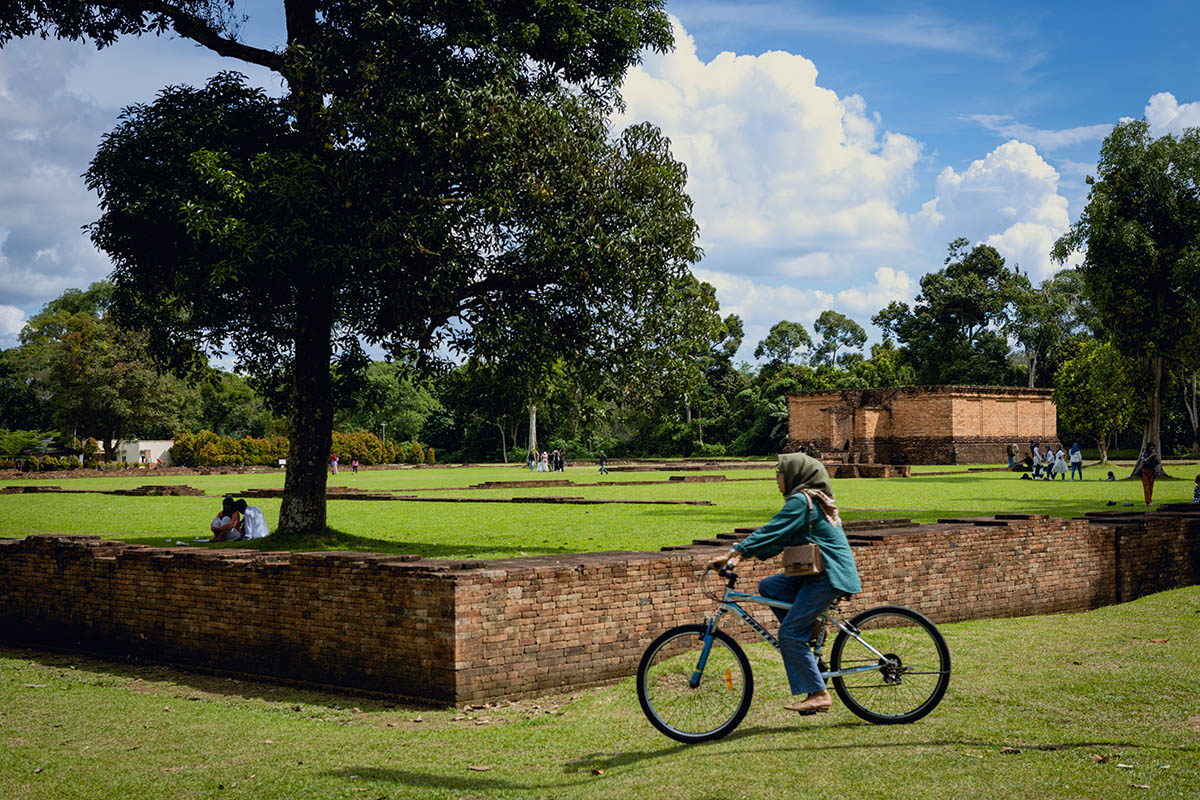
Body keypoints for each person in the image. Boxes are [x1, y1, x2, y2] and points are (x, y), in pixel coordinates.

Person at [710, 452, 861, 716]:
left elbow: (772, 530)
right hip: (819, 572)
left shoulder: (802, 501)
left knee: (790, 634)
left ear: (795, 474)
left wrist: (734, 552)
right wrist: (742, 557)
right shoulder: (808, 500)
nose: (776, 478)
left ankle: (819, 694)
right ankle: (812, 629)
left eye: (779, 473)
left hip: (829, 575)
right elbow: (778, 539)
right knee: (770, 587)